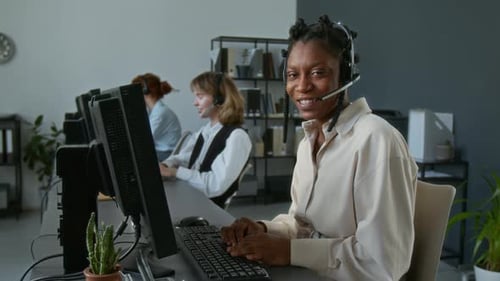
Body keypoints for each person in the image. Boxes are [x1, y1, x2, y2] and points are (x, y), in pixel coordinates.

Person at [221, 15, 418, 280]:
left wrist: (291, 251)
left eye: (318, 72)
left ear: (344, 75)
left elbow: (382, 263)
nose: (301, 86)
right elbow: (304, 227)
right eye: (293, 74)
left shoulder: (376, 139)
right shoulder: (308, 143)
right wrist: (262, 229)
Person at [159, 71, 252, 208]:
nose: (195, 103)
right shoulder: (206, 131)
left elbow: (214, 185)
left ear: (219, 99)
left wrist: (174, 172)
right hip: (190, 198)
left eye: (200, 96)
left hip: (206, 208)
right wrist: (167, 165)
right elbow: (185, 158)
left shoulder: (237, 137)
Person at [131, 73, 181, 161]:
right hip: (161, 151)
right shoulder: (154, 110)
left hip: (166, 154)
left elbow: (144, 139)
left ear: (145, 91)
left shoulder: (160, 112)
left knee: (133, 158)